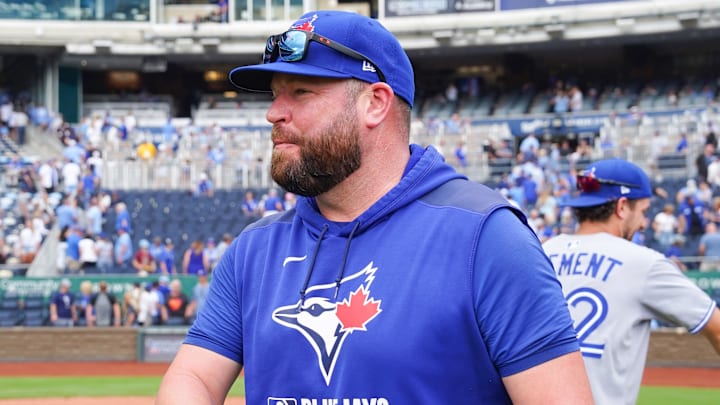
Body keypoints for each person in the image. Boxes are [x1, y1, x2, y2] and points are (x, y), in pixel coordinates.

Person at [158, 10, 592, 405]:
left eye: (301, 92)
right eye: (275, 94)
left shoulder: (485, 237)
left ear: (376, 103)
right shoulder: (255, 249)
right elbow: (193, 375)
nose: (274, 113)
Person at [542, 158, 720, 405]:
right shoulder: (643, 263)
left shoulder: (542, 252)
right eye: (644, 212)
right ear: (622, 206)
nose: (644, 223)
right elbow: (716, 325)